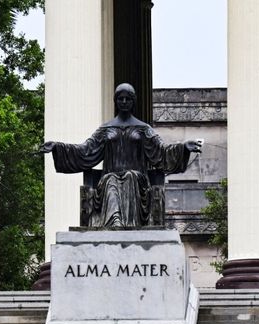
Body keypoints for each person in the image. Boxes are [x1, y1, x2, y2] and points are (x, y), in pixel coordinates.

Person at [39, 83, 203, 229]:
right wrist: (57, 147)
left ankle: (128, 225)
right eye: (120, 99)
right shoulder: (105, 129)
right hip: (109, 178)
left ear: (133, 101)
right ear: (115, 101)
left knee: (129, 176)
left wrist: (183, 148)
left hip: (138, 181)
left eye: (127, 99)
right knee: (111, 180)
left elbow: (161, 151)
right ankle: (114, 223)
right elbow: (85, 150)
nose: (124, 102)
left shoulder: (143, 129)